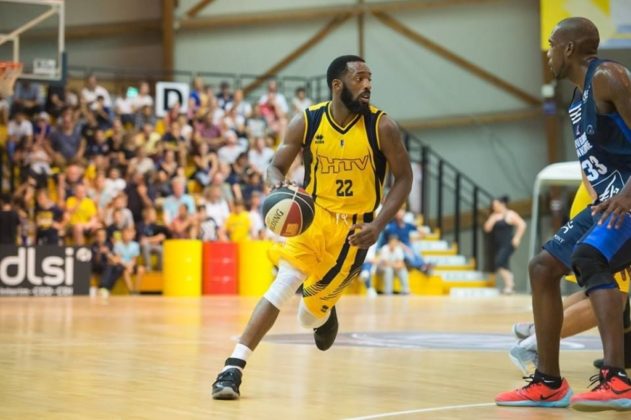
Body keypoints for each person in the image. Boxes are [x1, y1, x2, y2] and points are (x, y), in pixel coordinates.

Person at [211, 55, 413, 400]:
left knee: (308, 317)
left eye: (369, 78)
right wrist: (278, 184)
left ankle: (324, 312)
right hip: (313, 218)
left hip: (354, 232)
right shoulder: (307, 121)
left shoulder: (383, 127)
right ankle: (233, 368)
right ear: (337, 85)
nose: (367, 85)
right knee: (283, 284)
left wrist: (379, 223)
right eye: (359, 78)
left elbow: (404, 178)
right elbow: (275, 166)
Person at [496, 17, 631, 411]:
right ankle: (549, 382)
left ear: (569, 48)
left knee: (590, 258)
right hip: (608, 200)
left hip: (627, 198)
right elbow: (595, 163)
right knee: (542, 267)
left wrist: (626, 195)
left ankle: (616, 380)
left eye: (553, 44)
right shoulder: (578, 99)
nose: (548, 53)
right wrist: (599, 198)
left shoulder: (609, 77)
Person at [509, 182, 631, 374]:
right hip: (610, 204)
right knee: (613, 292)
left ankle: (539, 329)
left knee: (595, 288)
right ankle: (536, 343)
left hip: (601, 199)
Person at [483, 196, 526, 295]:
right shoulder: (494, 216)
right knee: (504, 264)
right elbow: (487, 228)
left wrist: (517, 237)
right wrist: (493, 218)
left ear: (502, 204)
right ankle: (509, 287)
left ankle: (511, 283)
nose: (494, 207)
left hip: (508, 243)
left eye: (496, 205)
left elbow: (522, 224)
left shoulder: (510, 214)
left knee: (499, 262)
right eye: (493, 206)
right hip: (497, 244)